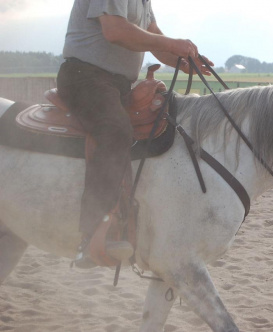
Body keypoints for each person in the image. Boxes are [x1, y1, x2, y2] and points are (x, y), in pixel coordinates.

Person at [57, 0, 213, 268]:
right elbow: (115, 31)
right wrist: (174, 44)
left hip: (117, 83)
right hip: (84, 77)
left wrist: (184, 61)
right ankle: (92, 234)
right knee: (115, 131)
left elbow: (153, 38)